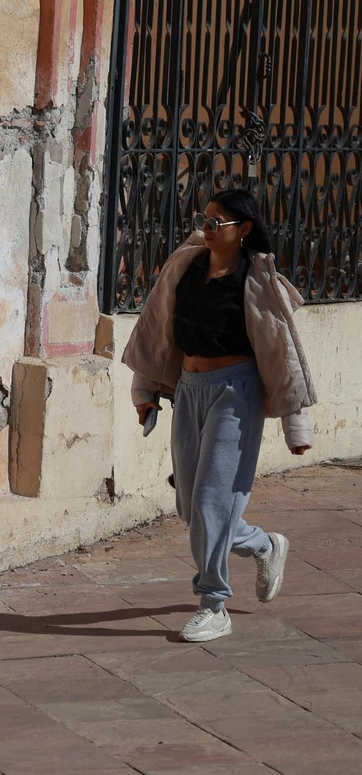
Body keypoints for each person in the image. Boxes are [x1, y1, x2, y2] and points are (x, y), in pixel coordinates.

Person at [121, 187, 316, 643]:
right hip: (189, 392)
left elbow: (282, 353)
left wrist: (294, 425)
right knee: (193, 507)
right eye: (203, 219)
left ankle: (213, 604)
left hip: (237, 393)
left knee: (212, 503)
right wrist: (145, 388)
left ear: (243, 229)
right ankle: (264, 545)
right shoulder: (186, 266)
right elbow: (158, 329)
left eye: (216, 223)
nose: (205, 229)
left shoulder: (257, 278)